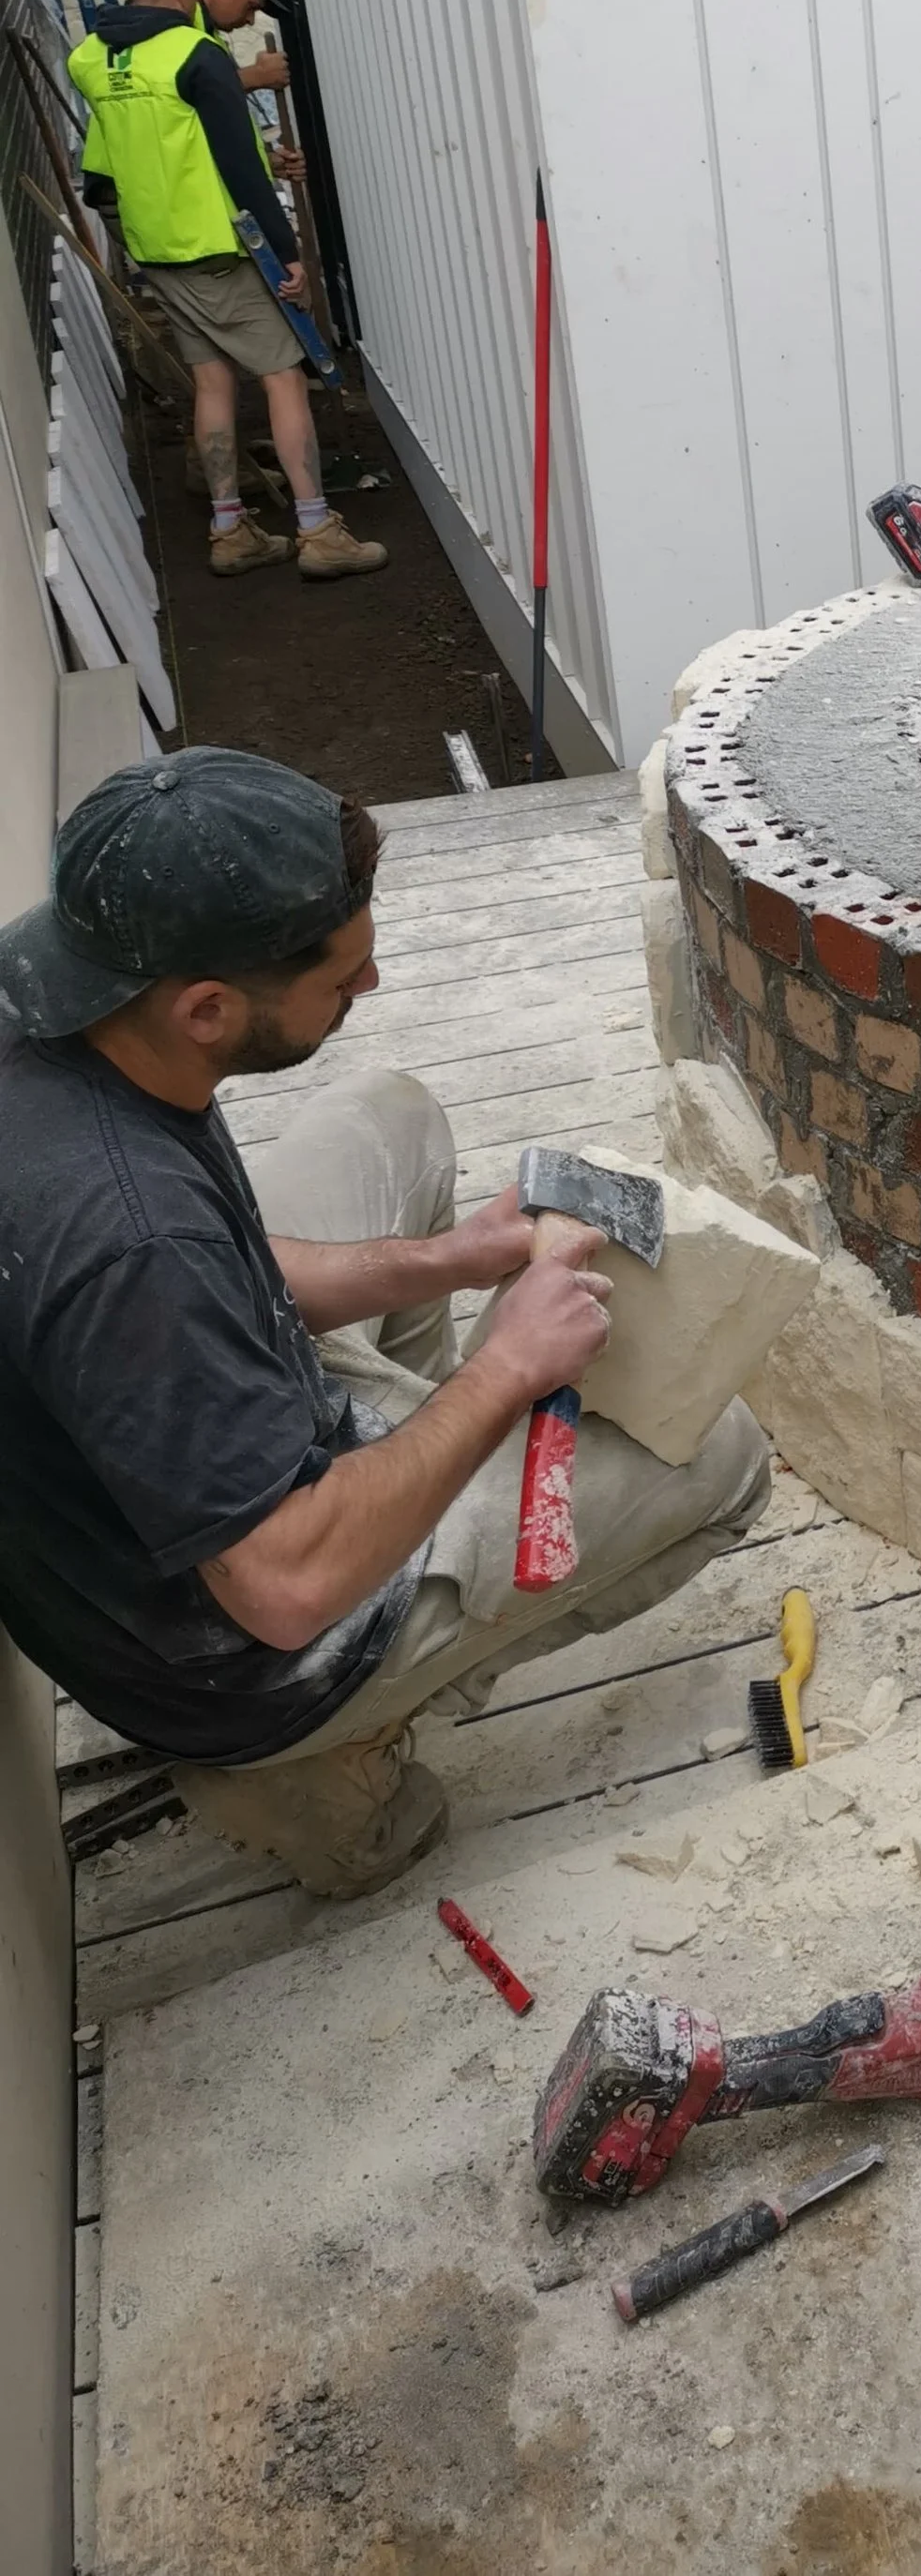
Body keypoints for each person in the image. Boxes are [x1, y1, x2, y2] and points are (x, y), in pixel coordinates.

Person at [0, 750, 772, 1897]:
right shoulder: (133, 1246)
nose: (371, 985)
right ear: (205, 1009)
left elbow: (229, 1267)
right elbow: (284, 1587)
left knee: (393, 1119)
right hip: (233, 1652)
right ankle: (329, 1749)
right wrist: (505, 1371)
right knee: (727, 1456)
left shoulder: (68, 1005)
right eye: (342, 976)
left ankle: (409, 1463)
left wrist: (455, 1259)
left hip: (180, 1437)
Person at [68, 0, 385, 582]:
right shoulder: (197, 53)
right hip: (220, 247)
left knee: (212, 380)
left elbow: (129, 155)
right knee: (283, 374)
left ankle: (230, 527)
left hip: (158, 249)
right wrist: (290, 254)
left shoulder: (90, 58)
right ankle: (318, 528)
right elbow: (234, 163)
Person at [195, 0, 295, 113]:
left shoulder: (205, 30)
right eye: (251, 7)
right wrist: (256, 76)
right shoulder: (177, 20)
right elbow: (177, 93)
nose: (250, 20)